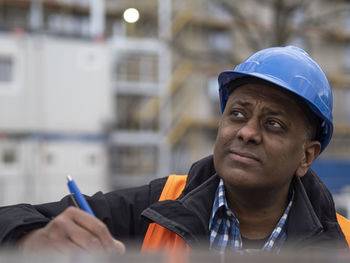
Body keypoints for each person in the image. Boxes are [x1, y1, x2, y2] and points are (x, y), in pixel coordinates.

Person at [0, 46, 349, 254]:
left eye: (273, 124)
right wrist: (35, 238)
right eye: (238, 114)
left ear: (307, 155)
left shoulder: (341, 242)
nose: (247, 132)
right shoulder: (159, 205)